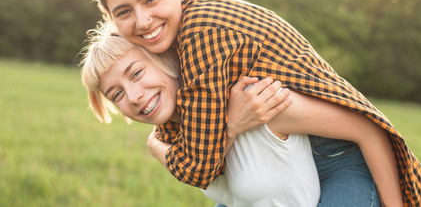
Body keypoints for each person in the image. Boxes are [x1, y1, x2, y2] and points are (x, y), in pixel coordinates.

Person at [86, 0, 421, 206]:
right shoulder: (177, 55)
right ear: (112, 20)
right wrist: (227, 126)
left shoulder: (202, 36)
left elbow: (197, 167)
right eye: (124, 12)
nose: (143, 20)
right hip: (280, 156)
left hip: (335, 152)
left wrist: (157, 147)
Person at [80, 32, 402, 206]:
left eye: (136, 73)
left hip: (337, 163)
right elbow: (209, 169)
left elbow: (368, 129)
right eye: (116, 94)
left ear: (166, 61)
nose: (134, 96)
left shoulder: (258, 102)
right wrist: (228, 128)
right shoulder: (165, 139)